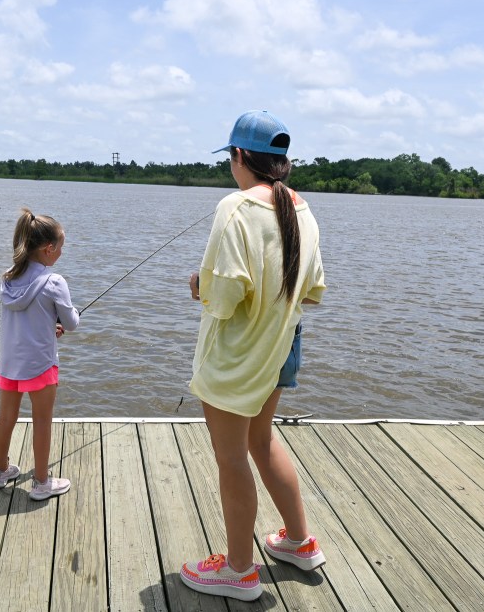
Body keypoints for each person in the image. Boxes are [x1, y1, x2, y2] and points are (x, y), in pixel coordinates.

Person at [179, 111, 327, 602]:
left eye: (231, 157)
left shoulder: (235, 207)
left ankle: (239, 570)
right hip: (282, 346)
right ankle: (298, 542)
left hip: (238, 356)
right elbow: (312, 292)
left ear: (239, 156)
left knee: (232, 458)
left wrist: (198, 285)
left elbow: (222, 300)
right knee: (261, 441)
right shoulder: (304, 209)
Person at [0, 207, 80, 501]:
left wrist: (49, 326)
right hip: (40, 363)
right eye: (61, 247)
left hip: (9, 363)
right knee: (42, 421)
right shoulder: (54, 282)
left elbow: (29, 317)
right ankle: (42, 483)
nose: (62, 253)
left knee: (6, 417)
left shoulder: (8, 278)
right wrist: (68, 317)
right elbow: (71, 323)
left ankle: (1, 471)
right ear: (48, 248)